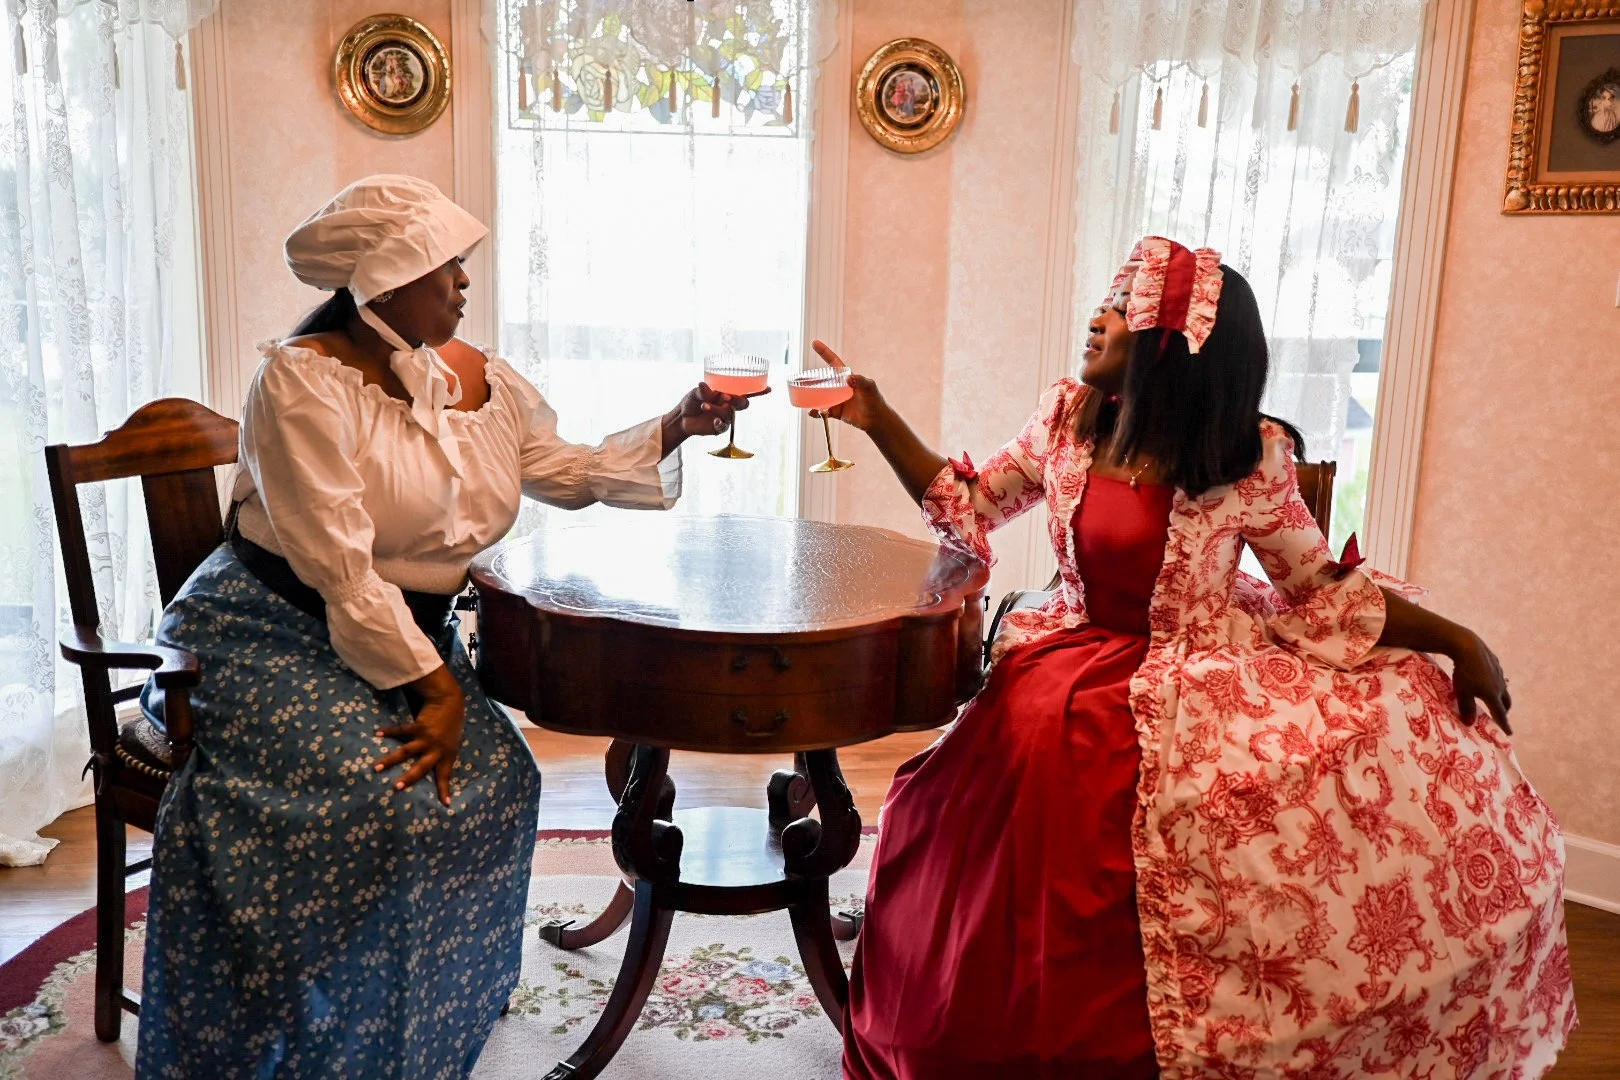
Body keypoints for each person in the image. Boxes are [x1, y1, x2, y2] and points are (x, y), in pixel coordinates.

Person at [818, 237, 1575, 1078]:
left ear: (1166, 342)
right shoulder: (1068, 419)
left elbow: (1319, 586)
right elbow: (969, 506)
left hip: (1192, 666)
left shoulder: (1244, 454)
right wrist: (877, 417)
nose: (1097, 316)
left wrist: (1457, 639)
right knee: (965, 784)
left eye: (1119, 304)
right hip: (1069, 647)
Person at [134, 175, 750, 1079]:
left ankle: (433, 1022)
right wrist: (431, 688)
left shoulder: (479, 378)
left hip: (402, 635)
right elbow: (336, 567)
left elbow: (563, 469)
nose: (464, 285)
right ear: (380, 285)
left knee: (500, 783)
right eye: (445, 268)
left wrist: (674, 428)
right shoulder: (300, 383)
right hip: (273, 627)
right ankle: (309, 1028)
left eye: (462, 267)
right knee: (375, 801)